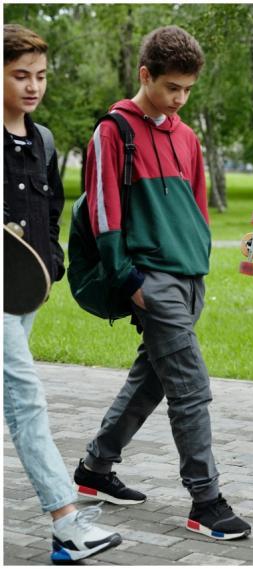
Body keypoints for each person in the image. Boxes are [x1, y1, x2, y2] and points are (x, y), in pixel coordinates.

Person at [73, 26, 250, 540]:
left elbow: (196, 208)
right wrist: (127, 278)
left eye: (188, 90)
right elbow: (105, 212)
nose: (179, 99)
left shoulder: (186, 136)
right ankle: (205, 500)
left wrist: (198, 262)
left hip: (189, 278)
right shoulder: (113, 132)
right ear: (145, 75)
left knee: (151, 378)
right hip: (149, 280)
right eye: (172, 87)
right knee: (191, 387)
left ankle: (94, 468)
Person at [3, 24, 123, 563]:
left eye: (41, 76)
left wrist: (49, 265)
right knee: (26, 399)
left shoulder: (44, 140)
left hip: (22, 295)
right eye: (19, 75)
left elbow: (52, 211)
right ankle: (65, 520)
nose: (33, 86)